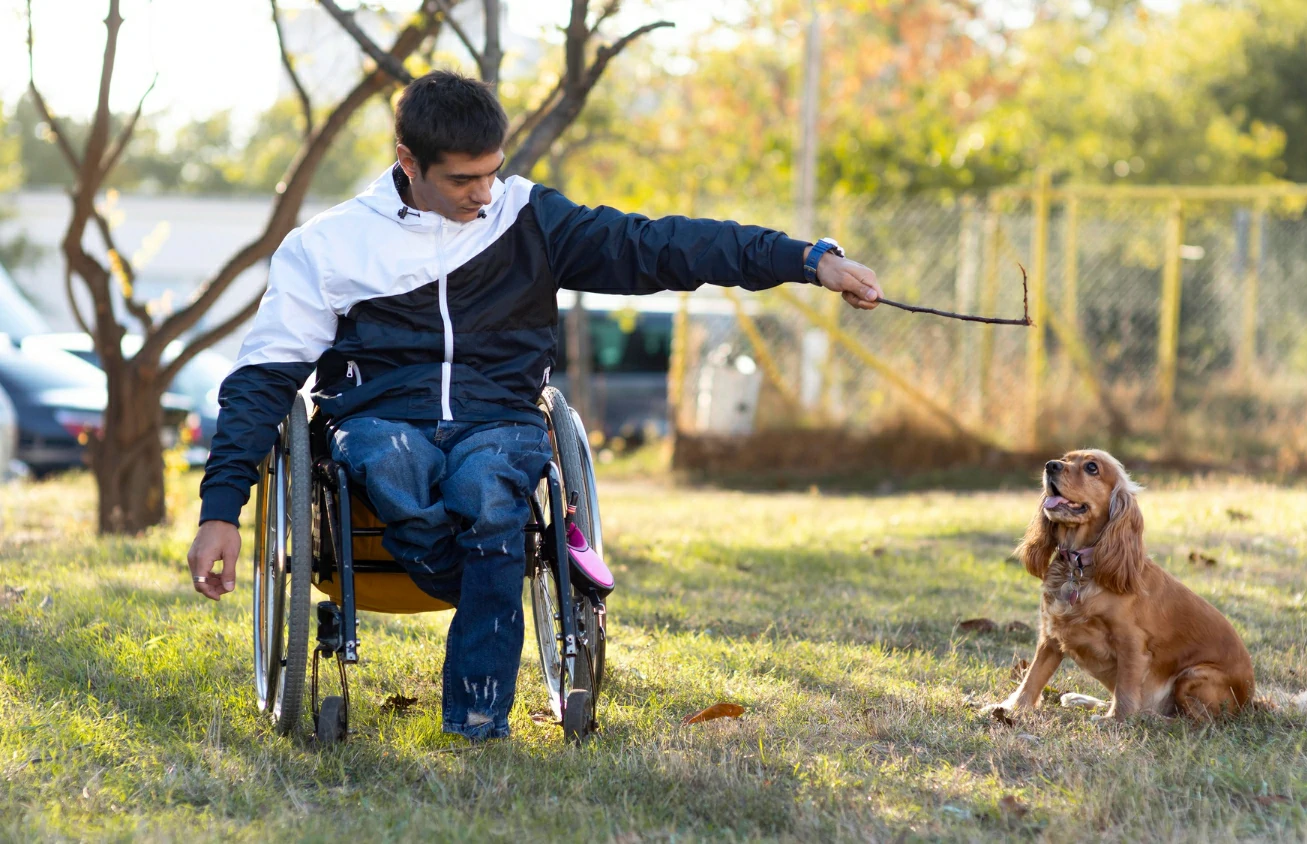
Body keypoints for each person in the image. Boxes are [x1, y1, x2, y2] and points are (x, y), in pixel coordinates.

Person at [186, 71, 882, 740]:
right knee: (392, 467)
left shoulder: (528, 218)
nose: (483, 193)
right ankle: (468, 574)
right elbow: (262, 380)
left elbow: (665, 245)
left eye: (491, 172)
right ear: (407, 160)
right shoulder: (329, 246)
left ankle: (479, 722)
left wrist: (804, 259)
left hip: (501, 417)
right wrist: (221, 510)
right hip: (379, 419)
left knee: (491, 494)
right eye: (462, 178)